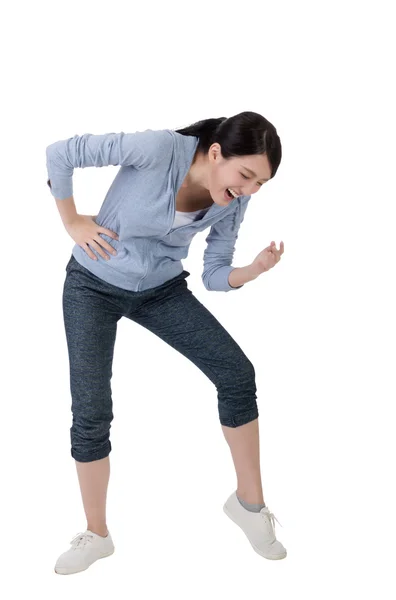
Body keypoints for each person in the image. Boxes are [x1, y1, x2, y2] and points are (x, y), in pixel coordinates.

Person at [46, 111, 286, 575]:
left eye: (261, 183)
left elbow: (216, 273)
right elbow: (61, 154)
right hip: (92, 284)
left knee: (237, 374)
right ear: (216, 152)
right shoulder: (157, 149)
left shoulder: (233, 199)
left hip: (160, 290)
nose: (250, 190)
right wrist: (73, 221)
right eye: (247, 175)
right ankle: (97, 534)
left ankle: (249, 507)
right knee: (91, 409)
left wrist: (252, 270)